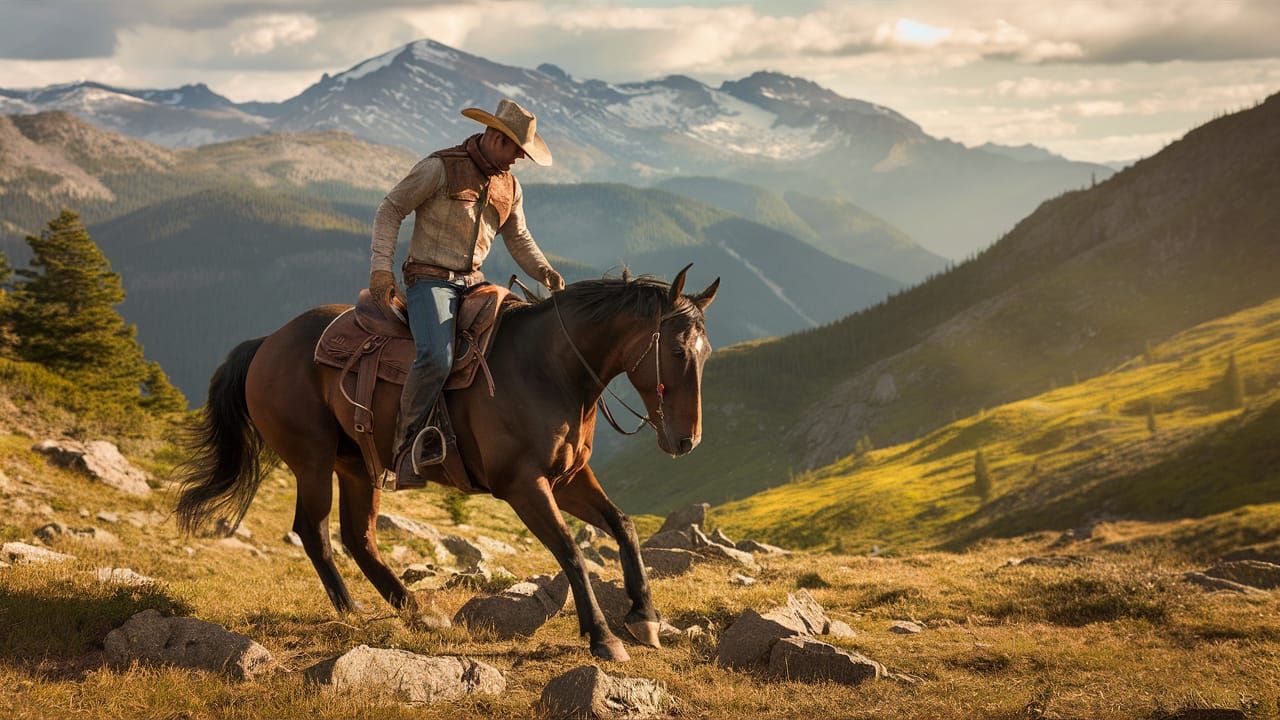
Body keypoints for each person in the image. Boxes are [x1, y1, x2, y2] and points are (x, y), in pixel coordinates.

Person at [369, 98, 565, 489]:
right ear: (495, 136)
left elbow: (519, 237)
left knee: (516, 343)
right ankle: (404, 451)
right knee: (436, 359)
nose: (517, 160)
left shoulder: (510, 185)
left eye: (523, 154)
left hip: (474, 281)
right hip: (430, 281)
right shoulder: (440, 167)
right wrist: (380, 268)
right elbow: (391, 209)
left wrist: (544, 270)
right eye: (514, 150)